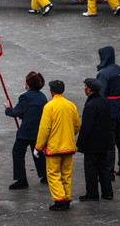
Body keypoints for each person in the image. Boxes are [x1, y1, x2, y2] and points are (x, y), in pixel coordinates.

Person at [35, 80, 81, 211]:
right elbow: (77, 125)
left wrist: (38, 147)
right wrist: (70, 136)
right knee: (66, 174)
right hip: (69, 146)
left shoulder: (49, 106)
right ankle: (66, 198)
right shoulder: (71, 105)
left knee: (53, 174)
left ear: (51, 91)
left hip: (54, 148)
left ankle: (60, 200)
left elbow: (44, 130)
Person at [4, 72, 47, 189]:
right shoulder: (42, 96)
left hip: (26, 131)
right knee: (37, 153)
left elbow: (16, 112)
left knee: (18, 153)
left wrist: (8, 108)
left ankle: (21, 179)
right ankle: (45, 175)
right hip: (38, 130)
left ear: (28, 84)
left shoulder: (25, 96)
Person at [77, 78, 114, 201]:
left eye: (86, 87)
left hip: (93, 145)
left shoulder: (91, 106)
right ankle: (107, 192)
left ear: (90, 89)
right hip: (105, 142)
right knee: (104, 168)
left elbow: (86, 127)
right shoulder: (104, 102)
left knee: (91, 169)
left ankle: (92, 193)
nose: (84, 88)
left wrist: (80, 143)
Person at [95, 46, 120, 178]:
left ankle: (109, 171)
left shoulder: (103, 73)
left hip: (110, 109)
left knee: (109, 140)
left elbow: (101, 94)